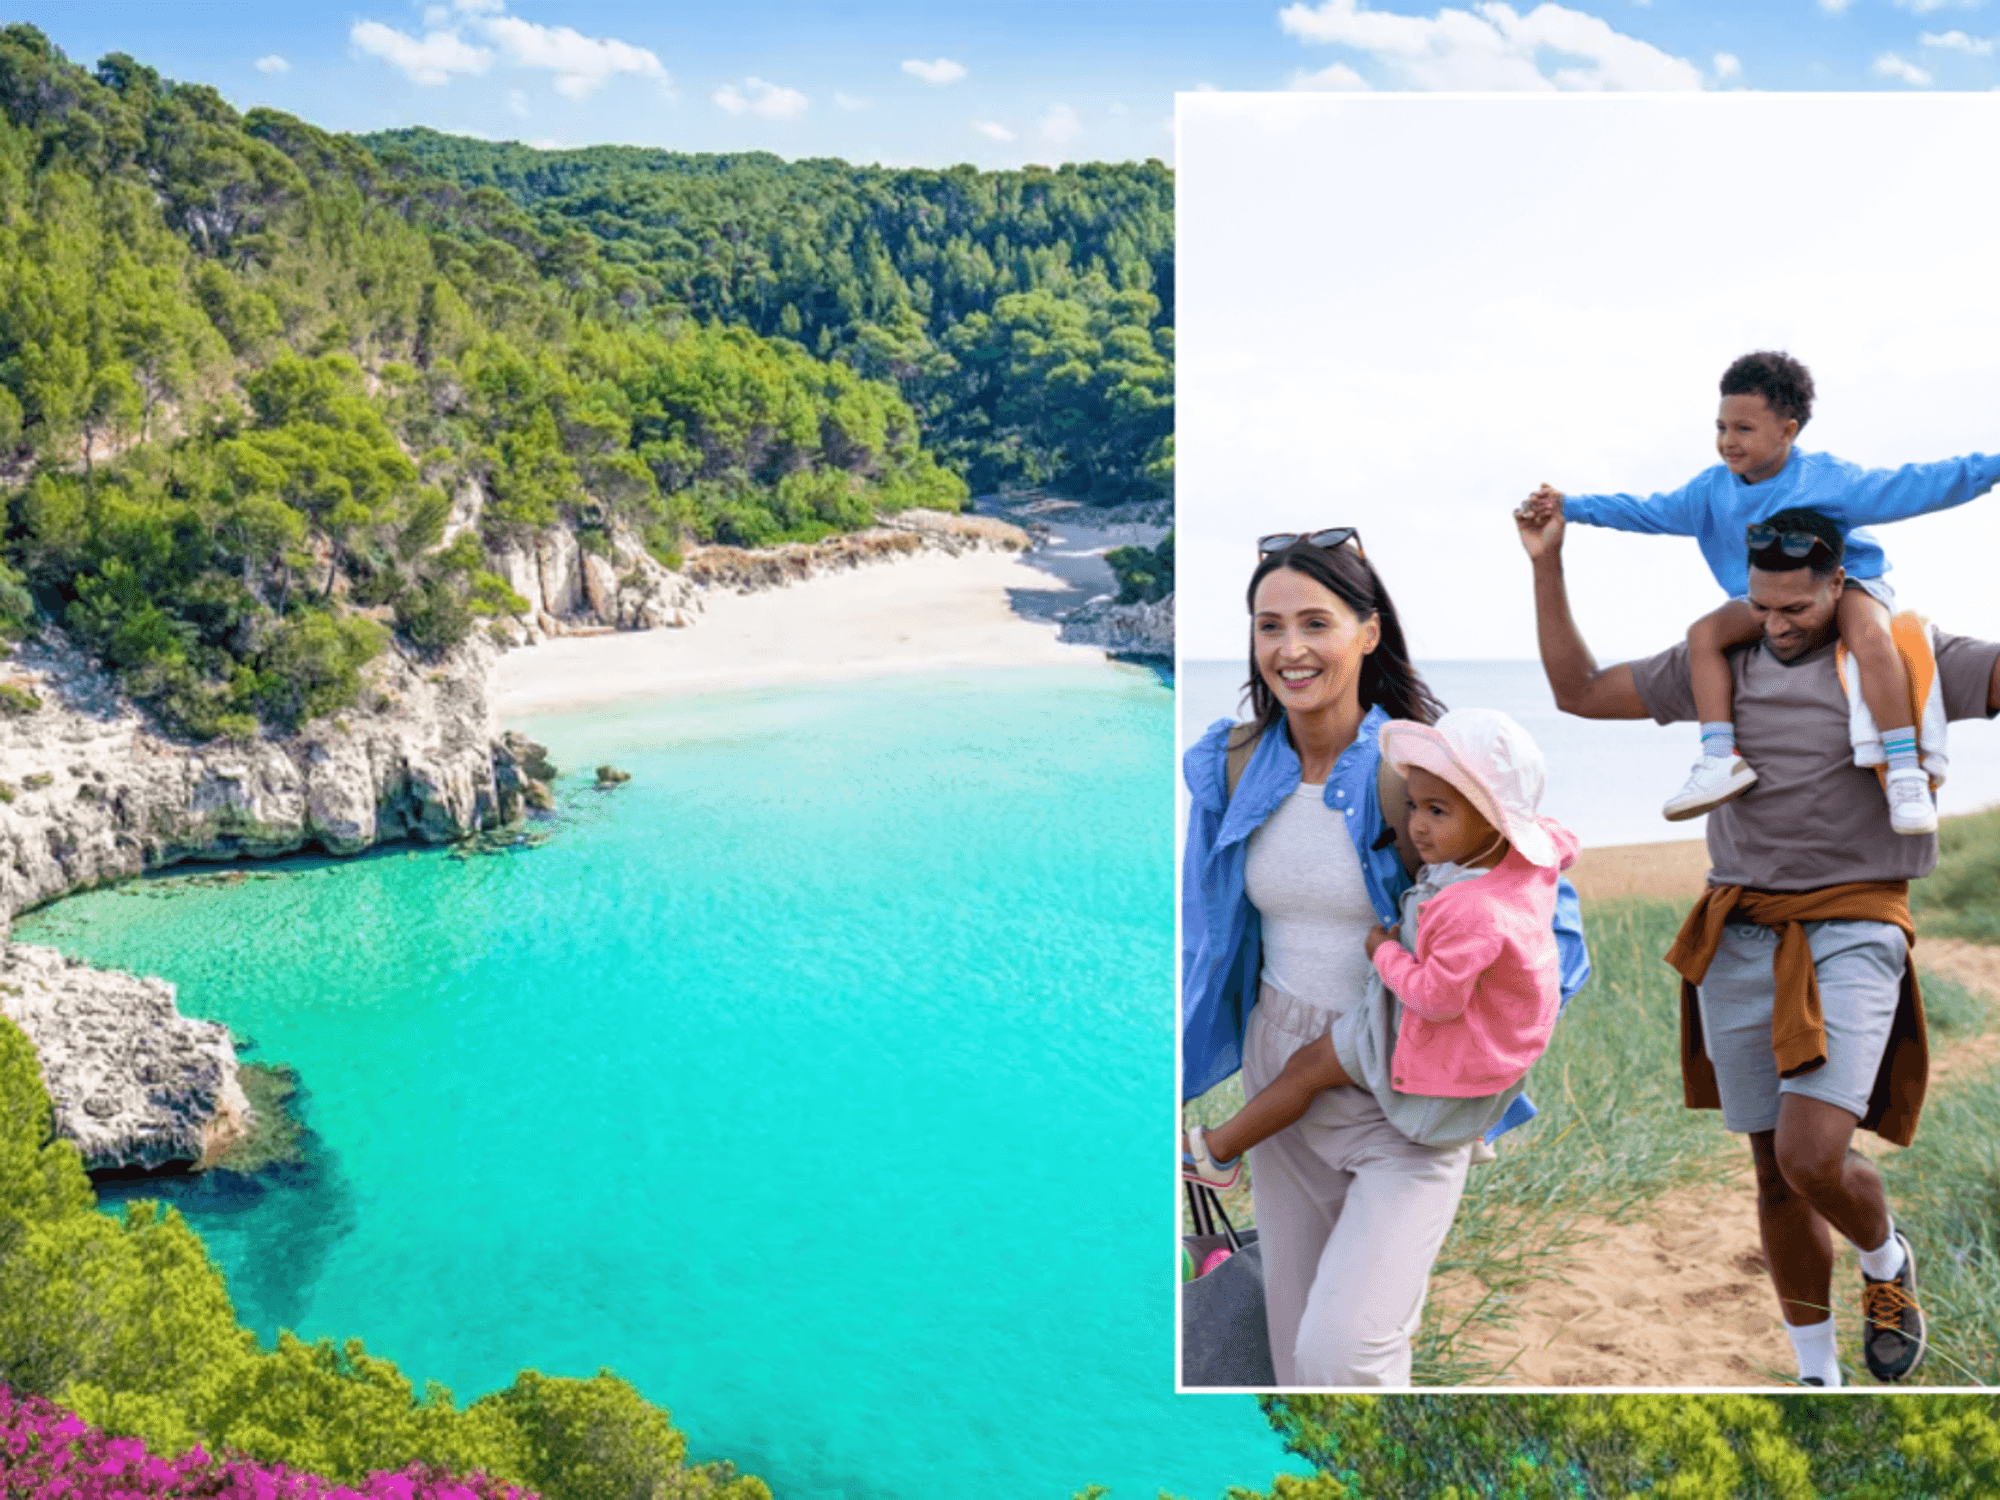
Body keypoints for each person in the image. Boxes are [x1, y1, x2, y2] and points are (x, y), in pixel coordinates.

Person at [1515, 498, 2000, 1385]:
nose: (1777, 627)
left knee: (1810, 1153)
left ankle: (1886, 1261)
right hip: (1738, 929)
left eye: (1798, 610)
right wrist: (1548, 563)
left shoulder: (1912, 654)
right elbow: (1577, 693)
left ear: (1839, 583)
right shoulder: (1722, 660)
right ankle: (1816, 1370)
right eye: (1762, 607)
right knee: (1773, 1173)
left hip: (1856, 923)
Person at [1180, 529, 1587, 1387]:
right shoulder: (1233, 761)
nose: (1289, 649)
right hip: (1278, 1071)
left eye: (1315, 623)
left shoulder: (1425, 765)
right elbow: (1205, 933)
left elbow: (1546, 930)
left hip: (1405, 1083)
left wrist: (1477, 1054)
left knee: (1346, 1355)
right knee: (1296, 1361)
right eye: (1268, 626)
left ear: (1369, 631)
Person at [1522, 349, 2000, 834]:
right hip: (1764, 599)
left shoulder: (1827, 480)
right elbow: (1646, 511)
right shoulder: (1710, 492)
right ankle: (1718, 756)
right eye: (1721, 427)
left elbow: (1919, 485)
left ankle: (1903, 769)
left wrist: (1994, 467)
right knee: (1703, 635)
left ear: (1788, 431)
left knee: (1872, 637)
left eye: (1744, 429)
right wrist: (1571, 506)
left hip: (1848, 580)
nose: (1728, 441)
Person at [1183, 709, 1578, 1180]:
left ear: (1495, 819)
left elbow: (1436, 997)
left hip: (1419, 1028)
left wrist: (1383, 955)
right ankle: (1466, 1124)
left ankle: (1215, 1154)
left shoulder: (1473, 909)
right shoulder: (1522, 866)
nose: (1417, 827)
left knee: (1307, 1069)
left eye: (1437, 811)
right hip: (1488, 1043)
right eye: (1412, 806)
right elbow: (1557, 840)